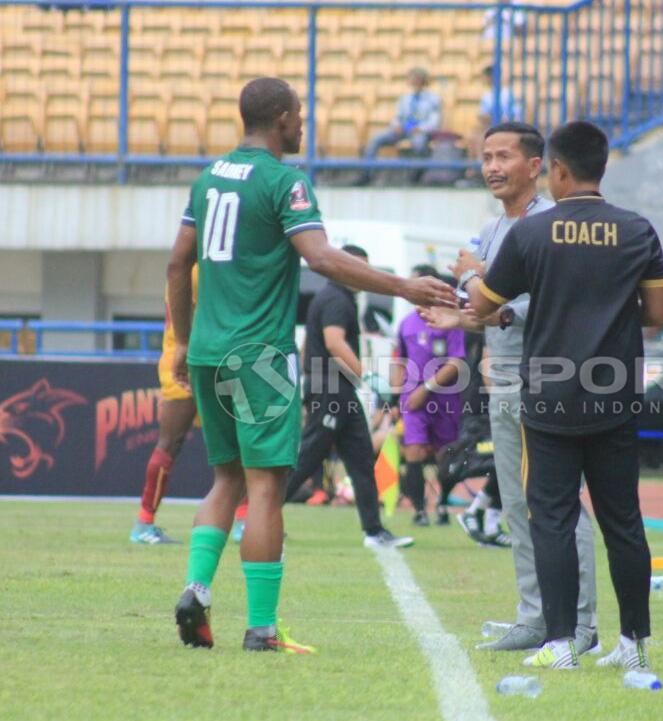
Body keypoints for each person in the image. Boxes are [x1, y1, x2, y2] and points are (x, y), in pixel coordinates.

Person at [166, 77, 455, 654]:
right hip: (258, 357)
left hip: (206, 350)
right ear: (280, 120)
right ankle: (262, 628)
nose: (303, 125)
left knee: (224, 478)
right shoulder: (285, 182)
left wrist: (181, 341)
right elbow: (321, 257)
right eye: (299, 117)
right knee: (266, 487)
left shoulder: (210, 176)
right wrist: (404, 286)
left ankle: (197, 588)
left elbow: (177, 264)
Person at [453, 120, 663, 671]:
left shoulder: (531, 233)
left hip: (549, 395)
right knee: (623, 519)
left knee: (549, 515)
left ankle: (558, 642)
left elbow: (482, 305)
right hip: (615, 392)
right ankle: (634, 643)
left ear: (557, 170)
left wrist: (471, 274)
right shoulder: (638, 229)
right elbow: (658, 314)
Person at [424, 121, 600, 654]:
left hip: (543, 381)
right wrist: (468, 314)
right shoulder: (494, 226)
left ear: (535, 165)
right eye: (486, 157)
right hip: (503, 381)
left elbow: (540, 306)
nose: (493, 167)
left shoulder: (552, 223)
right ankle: (536, 615)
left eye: (504, 156)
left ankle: (582, 623)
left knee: (557, 502)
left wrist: (479, 289)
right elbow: (483, 302)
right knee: (520, 504)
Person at [283, 244, 416, 547]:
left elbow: (310, 347)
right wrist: (367, 377)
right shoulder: (336, 300)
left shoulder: (336, 298)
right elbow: (334, 342)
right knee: (309, 456)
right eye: (358, 267)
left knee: (360, 459)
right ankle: (257, 517)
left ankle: (373, 531)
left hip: (339, 390)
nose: (364, 275)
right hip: (332, 390)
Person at [131, 266, 251, 545]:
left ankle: (244, 521)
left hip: (198, 359)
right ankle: (143, 524)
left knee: (231, 440)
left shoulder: (192, 264)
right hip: (193, 361)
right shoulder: (199, 268)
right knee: (173, 442)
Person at [391, 265, 467, 526]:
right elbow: (400, 361)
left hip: (444, 398)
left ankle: (443, 504)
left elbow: (457, 362)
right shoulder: (406, 323)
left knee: (444, 454)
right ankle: (419, 510)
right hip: (413, 400)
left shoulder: (449, 319)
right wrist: (394, 398)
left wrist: (428, 387)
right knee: (414, 451)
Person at [358, 68, 442, 183]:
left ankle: (416, 177)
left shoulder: (433, 99)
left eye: (416, 78)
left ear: (423, 80)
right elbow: (397, 117)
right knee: (376, 139)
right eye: (412, 77)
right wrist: (397, 125)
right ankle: (366, 174)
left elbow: (434, 122)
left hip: (419, 131)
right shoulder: (405, 98)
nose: (413, 80)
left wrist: (420, 129)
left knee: (419, 144)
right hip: (403, 130)